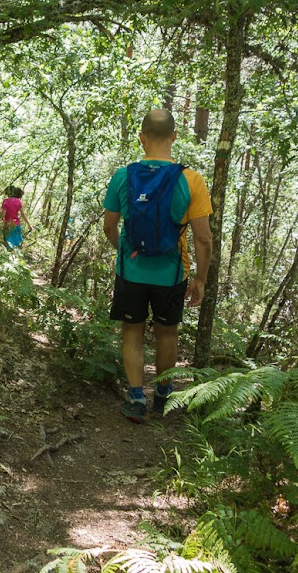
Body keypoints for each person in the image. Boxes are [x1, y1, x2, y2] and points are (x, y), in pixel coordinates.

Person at [102, 109, 213, 423]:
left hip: (130, 271)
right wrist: (201, 279)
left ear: (142, 137)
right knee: (167, 334)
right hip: (172, 273)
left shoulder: (124, 176)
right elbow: (203, 238)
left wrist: (126, 252)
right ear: (174, 137)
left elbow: (110, 227)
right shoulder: (191, 179)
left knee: (132, 331)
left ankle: (136, 397)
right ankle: (163, 396)